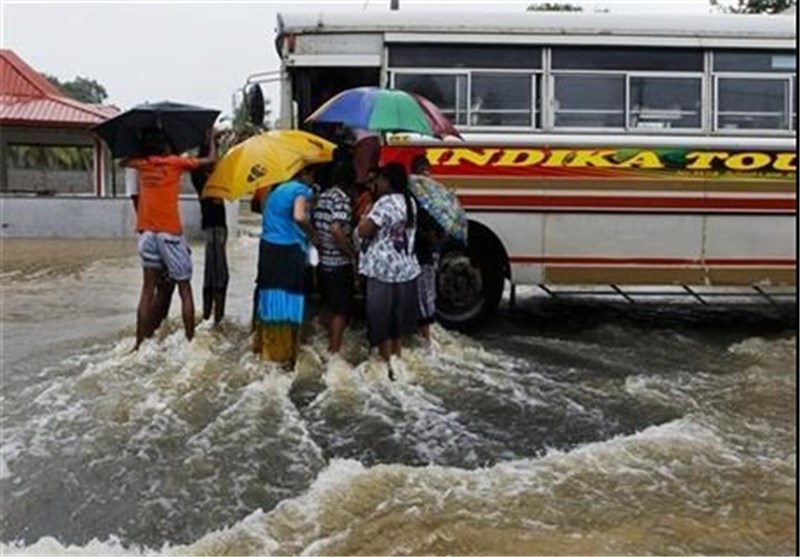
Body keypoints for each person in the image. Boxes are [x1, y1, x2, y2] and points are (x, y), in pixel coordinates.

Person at [124, 128, 216, 349]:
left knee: (147, 290)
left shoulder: (140, 165)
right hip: (170, 234)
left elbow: (123, 162)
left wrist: (144, 154)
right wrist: (212, 139)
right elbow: (211, 161)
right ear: (164, 145)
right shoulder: (175, 163)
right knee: (185, 289)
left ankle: (138, 345)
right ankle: (190, 342)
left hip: (146, 234)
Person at [357, 162, 420, 376]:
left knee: (380, 319)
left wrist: (364, 216)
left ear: (388, 181)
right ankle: (397, 359)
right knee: (396, 320)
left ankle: (386, 366)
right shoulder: (410, 202)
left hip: (382, 270)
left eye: (381, 179)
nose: (377, 183)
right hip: (406, 270)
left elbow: (365, 232)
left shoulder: (384, 203)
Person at [253, 165, 318, 368]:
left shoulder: (276, 190)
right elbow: (299, 216)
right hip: (288, 251)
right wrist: (313, 234)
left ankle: (264, 349)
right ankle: (286, 356)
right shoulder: (301, 190)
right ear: (305, 174)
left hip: (268, 249)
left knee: (270, 297)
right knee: (289, 299)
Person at [312, 164, 358, 354]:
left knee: (327, 306)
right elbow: (336, 229)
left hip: (323, 262)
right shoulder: (341, 199)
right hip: (338, 263)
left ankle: (321, 346)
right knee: (340, 311)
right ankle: (334, 352)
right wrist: (351, 253)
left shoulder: (323, 197)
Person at [125, 166, 175, 332]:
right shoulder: (144, 164)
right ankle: (151, 331)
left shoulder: (137, 163)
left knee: (155, 285)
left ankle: (149, 334)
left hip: (149, 228)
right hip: (160, 228)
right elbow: (135, 197)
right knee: (160, 284)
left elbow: (135, 196)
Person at [191, 136, 229, 327]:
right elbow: (213, 162)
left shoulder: (201, 175)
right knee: (219, 275)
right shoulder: (204, 176)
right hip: (215, 228)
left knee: (211, 274)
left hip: (212, 228)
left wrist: (214, 141)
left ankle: (209, 318)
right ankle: (216, 321)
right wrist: (213, 140)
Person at [409, 155, 446, 343]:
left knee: (423, 296)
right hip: (424, 253)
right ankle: (425, 337)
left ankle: (425, 337)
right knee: (425, 296)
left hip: (420, 254)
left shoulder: (418, 196)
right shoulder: (431, 197)